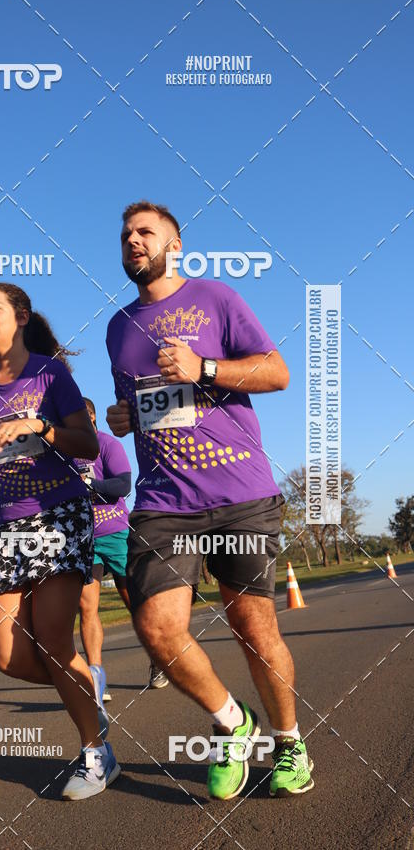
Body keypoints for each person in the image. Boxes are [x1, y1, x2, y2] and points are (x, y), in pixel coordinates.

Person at [105, 201, 314, 800]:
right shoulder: (119, 327)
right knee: (156, 626)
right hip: (165, 501)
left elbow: (276, 373)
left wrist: (205, 367)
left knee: (253, 627)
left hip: (240, 493)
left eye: (146, 232)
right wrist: (123, 416)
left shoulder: (215, 297)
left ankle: (289, 742)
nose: (134, 240)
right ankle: (231, 722)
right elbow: (142, 401)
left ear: (175, 246)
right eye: (126, 234)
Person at [0, 282, 120, 800]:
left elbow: (87, 444)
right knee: (9, 658)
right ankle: (86, 687)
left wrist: (39, 424)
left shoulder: (50, 374)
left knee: (54, 642)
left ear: (20, 316)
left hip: (57, 516)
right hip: (4, 527)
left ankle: (96, 754)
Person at [76, 398, 169, 700]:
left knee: (136, 603)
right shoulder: (65, 453)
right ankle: (97, 679)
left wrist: (90, 484)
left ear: (91, 417)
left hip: (116, 534)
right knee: (86, 608)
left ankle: (158, 659)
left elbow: (123, 486)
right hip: (83, 539)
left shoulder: (107, 445)